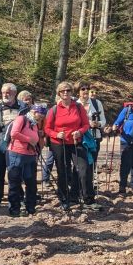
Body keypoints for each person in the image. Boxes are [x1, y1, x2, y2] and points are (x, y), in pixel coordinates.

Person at [42, 80, 95, 208]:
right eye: (63, 91)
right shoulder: (54, 110)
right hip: (59, 144)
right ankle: (64, 198)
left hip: (76, 142)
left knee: (83, 169)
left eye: (68, 90)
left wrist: (79, 132)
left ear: (72, 92)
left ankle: (88, 199)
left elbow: (86, 124)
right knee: (63, 171)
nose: (65, 92)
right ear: (59, 93)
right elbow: (47, 128)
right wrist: (56, 134)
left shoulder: (78, 107)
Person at [6, 103, 44, 216]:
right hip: (16, 154)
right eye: (40, 115)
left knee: (31, 182)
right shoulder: (21, 119)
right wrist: (29, 139)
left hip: (30, 155)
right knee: (15, 182)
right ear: (34, 112)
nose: (42, 118)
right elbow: (14, 133)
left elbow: (36, 139)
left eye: (43, 116)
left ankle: (30, 207)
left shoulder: (34, 124)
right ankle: (14, 209)